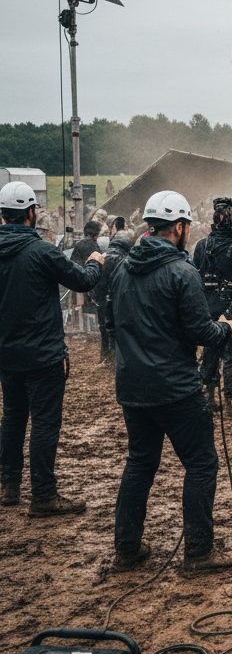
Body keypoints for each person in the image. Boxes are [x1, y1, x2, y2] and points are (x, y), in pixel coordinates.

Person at [106, 190, 232, 573]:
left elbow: (112, 325)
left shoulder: (121, 270)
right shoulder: (183, 273)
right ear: (180, 227)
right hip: (176, 388)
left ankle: (127, 549)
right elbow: (202, 332)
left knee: (139, 464)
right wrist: (227, 328)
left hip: (132, 387)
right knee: (201, 464)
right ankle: (199, 553)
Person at [0, 181, 103, 514]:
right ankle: (43, 495)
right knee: (44, 422)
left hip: (6, 353)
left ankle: (10, 486)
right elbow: (83, 281)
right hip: (43, 354)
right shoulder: (42, 251)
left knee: (13, 418)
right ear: (31, 213)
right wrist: (96, 261)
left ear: (3, 216)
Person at [193, 197, 232, 413]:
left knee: (210, 351)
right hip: (231, 310)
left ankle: (208, 396)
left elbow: (194, 276)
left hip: (207, 308)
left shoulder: (201, 246)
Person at [94, 223, 134, 364]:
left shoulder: (103, 256)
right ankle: (117, 359)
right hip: (118, 300)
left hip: (102, 299)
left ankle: (105, 356)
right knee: (118, 329)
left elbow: (95, 278)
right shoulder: (127, 259)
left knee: (104, 328)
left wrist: (97, 298)